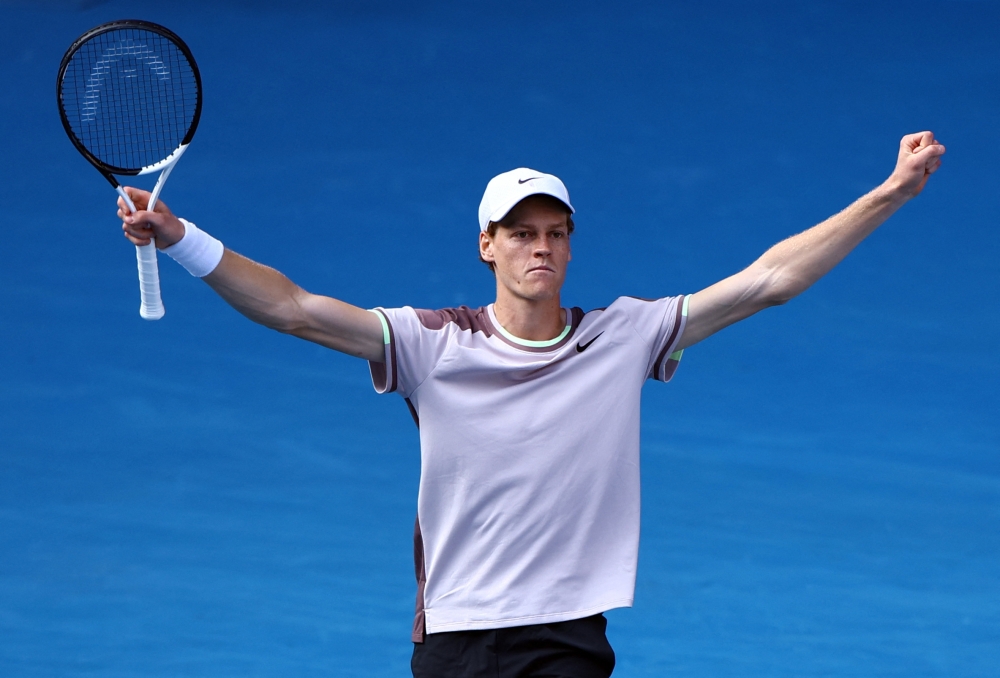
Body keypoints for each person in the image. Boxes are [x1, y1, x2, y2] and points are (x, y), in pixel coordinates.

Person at [119, 132, 944, 677]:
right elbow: (294, 308)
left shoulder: (625, 336)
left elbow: (770, 281)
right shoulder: (432, 344)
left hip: (565, 633)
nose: (540, 246)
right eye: (520, 233)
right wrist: (182, 237)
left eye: (555, 232)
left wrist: (892, 192)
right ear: (487, 246)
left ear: (571, 244)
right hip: (455, 635)